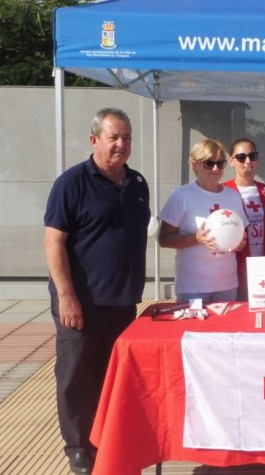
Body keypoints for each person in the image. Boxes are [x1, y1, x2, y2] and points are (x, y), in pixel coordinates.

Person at [43, 108, 151, 474]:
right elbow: (54, 242)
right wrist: (66, 296)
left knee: (111, 376)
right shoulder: (72, 183)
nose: (122, 144)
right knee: (76, 377)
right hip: (81, 302)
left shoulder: (137, 183)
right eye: (114, 137)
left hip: (122, 301)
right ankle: (77, 447)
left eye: (127, 138)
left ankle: (107, 439)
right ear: (94, 140)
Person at [158, 138, 246, 303]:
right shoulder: (181, 195)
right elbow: (164, 239)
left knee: (225, 329)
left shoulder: (233, 196)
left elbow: (241, 233)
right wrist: (196, 238)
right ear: (194, 164)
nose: (215, 169)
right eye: (209, 163)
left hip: (227, 284)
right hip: (193, 286)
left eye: (220, 163)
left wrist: (240, 242)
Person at [223, 138, 265, 301]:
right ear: (231, 161)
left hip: (264, 265)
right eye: (241, 157)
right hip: (235, 266)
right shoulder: (224, 191)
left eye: (252, 156)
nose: (248, 161)